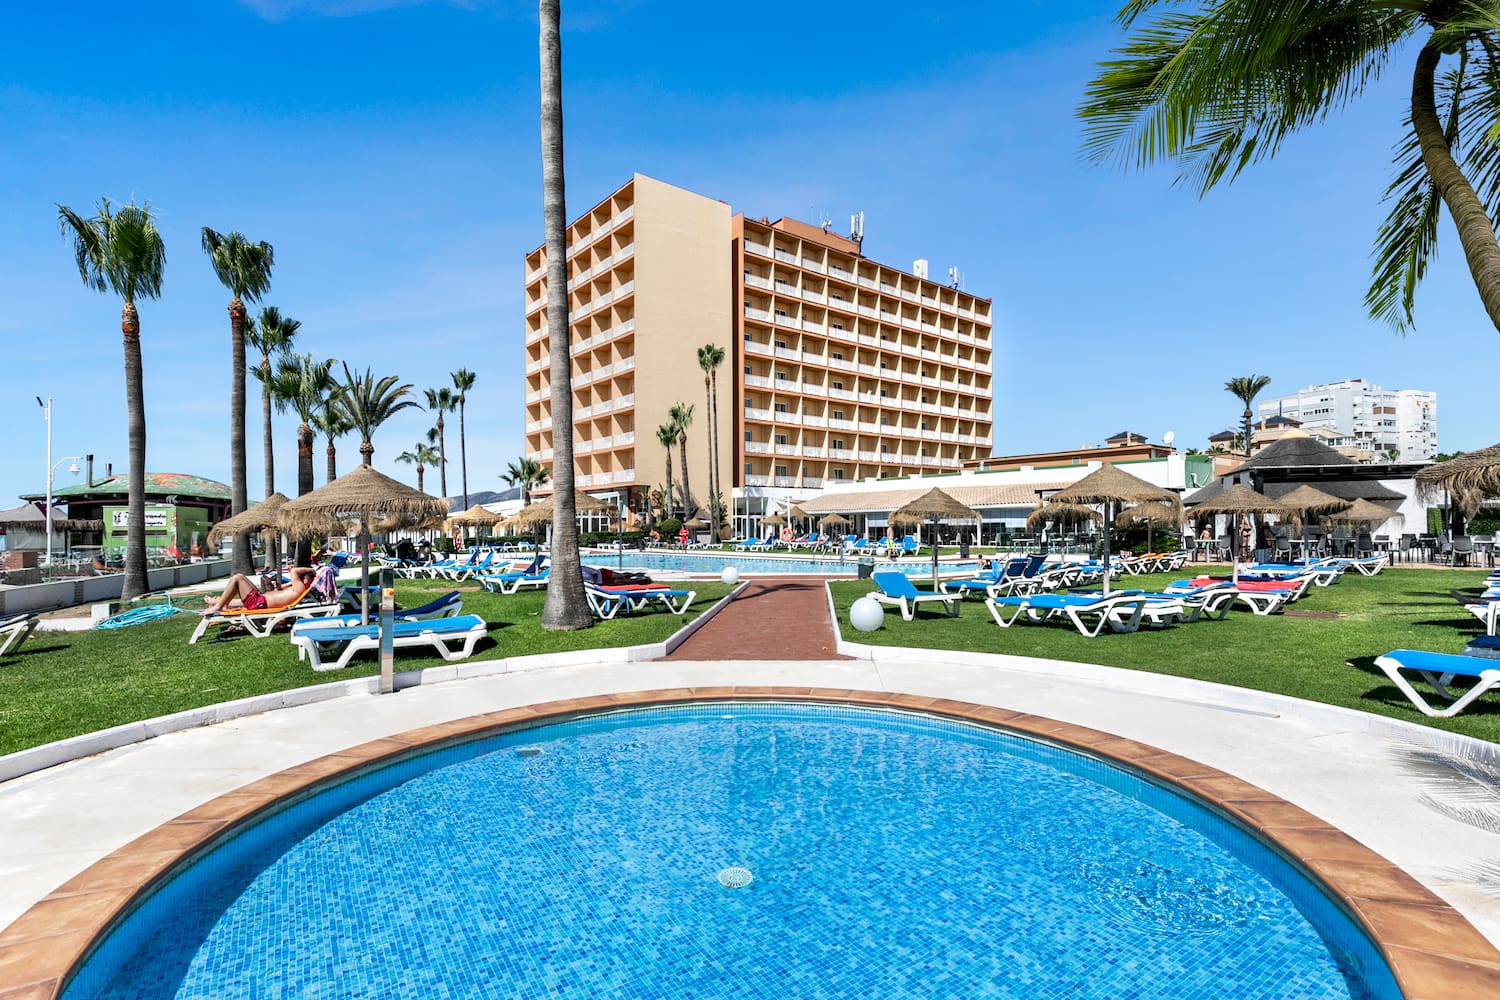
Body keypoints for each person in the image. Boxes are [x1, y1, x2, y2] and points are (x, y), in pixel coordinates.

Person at [202, 566, 317, 616]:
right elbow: (280, 592)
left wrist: (311, 569)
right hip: (260, 600)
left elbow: (294, 571)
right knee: (240, 578)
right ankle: (222, 604)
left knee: (237, 578)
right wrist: (281, 587)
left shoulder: (301, 588)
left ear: (306, 580)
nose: (299, 579)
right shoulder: (298, 588)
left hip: (260, 603)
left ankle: (218, 606)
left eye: (302, 578)